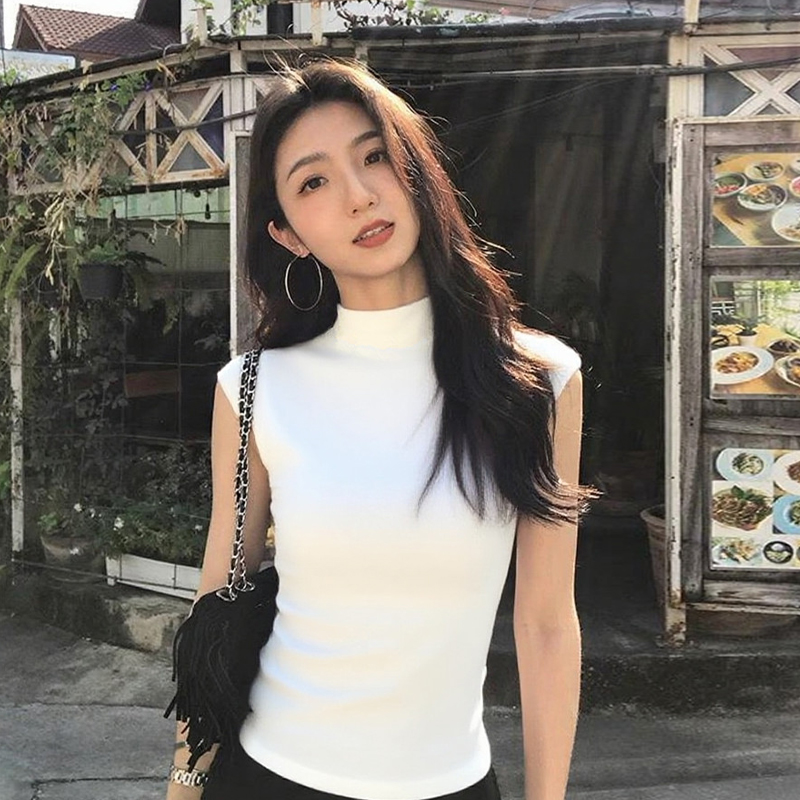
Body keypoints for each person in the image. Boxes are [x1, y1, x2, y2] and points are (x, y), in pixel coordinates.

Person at [166, 57, 593, 800]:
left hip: (451, 783)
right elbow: (218, 604)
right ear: (287, 233)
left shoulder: (538, 381)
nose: (359, 195)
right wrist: (183, 783)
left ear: (415, 170)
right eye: (313, 182)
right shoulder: (253, 390)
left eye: (374, 157)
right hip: (269, 775)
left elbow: (547, 625)